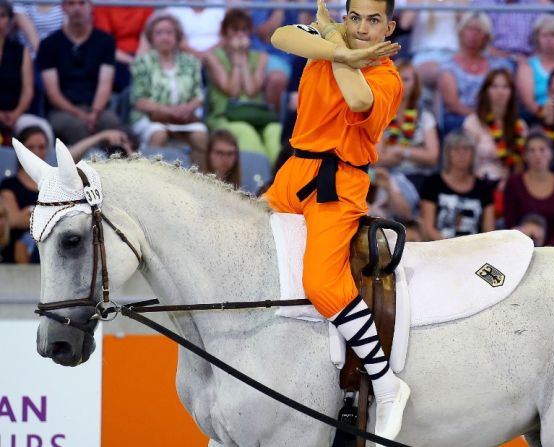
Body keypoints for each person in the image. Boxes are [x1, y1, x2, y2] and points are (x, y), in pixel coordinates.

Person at [262, 0, 409, 439]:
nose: (363, 28)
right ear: (346, 18)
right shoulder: (329, 39)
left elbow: (358, 97)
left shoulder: (387, 75)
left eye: (373, 20)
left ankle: (385, 384)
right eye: (355, 17)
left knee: (323, 283)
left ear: (390, 27)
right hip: (292, 173)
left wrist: (336, 49)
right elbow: (279, 36)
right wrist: (336, 47)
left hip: (339, 184)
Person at [37, 0, 122, 145]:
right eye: (71, 3)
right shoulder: (48, 44)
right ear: (63, 8)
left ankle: (113, 167)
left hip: (97, 108)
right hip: (62, 110)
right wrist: (80, 115)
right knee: (76, 127)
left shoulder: (106, 41)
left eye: (82, 3)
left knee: (112, 123)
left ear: (91, 7)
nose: (77, 8)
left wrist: (94, 114)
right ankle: (79, 167)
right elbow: (53, 94)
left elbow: (105, 86)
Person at [131, 13, 208, 169]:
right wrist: (166, 110)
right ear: (151, 37)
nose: (164, 37)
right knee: (159, 133)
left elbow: (199, 96)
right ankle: (152, 179)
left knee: (201, 135)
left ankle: (200, 183)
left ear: (177, 36)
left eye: (169, 32)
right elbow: (138, 100)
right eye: (159, 33)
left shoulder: (191, 62)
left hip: (184, 118)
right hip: (151, 118)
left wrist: (186, 109)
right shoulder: (141, 62)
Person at [206, 9, 280, 162]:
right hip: (224, 116)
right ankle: (259, 182)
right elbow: (232, 91)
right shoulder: (212, 56)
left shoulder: (261, 57)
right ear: (225, 32)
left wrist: (242, 58)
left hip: (256, 115)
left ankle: (279, 178)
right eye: (234, 29)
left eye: (244, 29)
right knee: (246, 132)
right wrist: (237, 58)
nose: (240, 34)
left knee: (275, 130)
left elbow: (252, 90)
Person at [436, 12, 512, 132]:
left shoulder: (495, 65)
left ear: (486, 37)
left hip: (492, 117)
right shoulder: (448, 65)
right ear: (461, 32)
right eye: (469, 29)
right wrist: (480, 118)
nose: (473, 34)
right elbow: (452, 104)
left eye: (478, 31)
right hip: (459, 119)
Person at [375, 60, 440, 193]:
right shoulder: (381, 114)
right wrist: (415, 154)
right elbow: (376, 157)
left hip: (417, 178)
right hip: (384, 175)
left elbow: (433, 157)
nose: (400, 83)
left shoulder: (425, 116)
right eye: (396, 77)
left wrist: (401, 150)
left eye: (406, 79)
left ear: (415, 84)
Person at [419, 131, 495, 240]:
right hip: (439, 248)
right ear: (447, 154)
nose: (461, 154)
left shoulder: (484, 188)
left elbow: (489, 232)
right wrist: (451, 249)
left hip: (474, 250)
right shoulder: (433, 183)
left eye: (466, 149)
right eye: (455, 149)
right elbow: (427, 228)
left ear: (473, 154)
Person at [503, 130, 554, 246]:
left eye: (542, 149)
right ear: (525, 156)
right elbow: (510, 223)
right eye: (532, 150)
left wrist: (549, 249)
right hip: (520, 248)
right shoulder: (513, 183)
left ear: (551, 153)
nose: (537, 155)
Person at [0, 0, 54, 147]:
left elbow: (28, 90)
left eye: (3, 16)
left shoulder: (21, 51)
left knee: (42, 129)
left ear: (11, 21)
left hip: (17, 114)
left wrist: (16, 114)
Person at [463, 68, 529, 184]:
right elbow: (466, 162)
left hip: (511, 185)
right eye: (494, 86)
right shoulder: (472, 122)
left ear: (512, 92)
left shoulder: (520, 125)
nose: (500, 91)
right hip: (480, 182)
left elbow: (521, 165)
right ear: (486, 91)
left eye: (505, 87)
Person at [0, 126, 45, 260]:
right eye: (30, 147)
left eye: (41, 147)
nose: (36, 152)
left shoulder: (53, 184)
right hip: (16, 252)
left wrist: (29, 212)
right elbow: (12, 220)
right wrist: (46, 215)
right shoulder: (10, 184)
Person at [93, 4, 154, 91]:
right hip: (113, 55)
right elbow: (104, 43)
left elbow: (146, 39)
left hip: (140, 54)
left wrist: (138, 61)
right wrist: (132, 61)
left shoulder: (145, 4)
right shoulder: (103, 5)